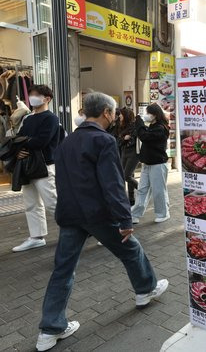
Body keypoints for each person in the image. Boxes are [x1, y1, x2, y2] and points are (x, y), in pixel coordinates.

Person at [36, 92, 168, 351]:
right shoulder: (104, 141)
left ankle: (49, 330)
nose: (116, 115)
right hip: (96, 214)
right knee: (131, 250)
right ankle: (146, 289)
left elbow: (62, 181)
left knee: (63, 269)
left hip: (70, 214)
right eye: (114, 111)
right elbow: (113, 185)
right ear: (107, 113)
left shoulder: (67, 141)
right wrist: (124, 218)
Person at [12, 85, 60, 252]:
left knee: (52, 202)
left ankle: (73, 232)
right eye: (31, 94)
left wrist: (22, 143)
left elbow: (41, 141)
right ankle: (36, 237)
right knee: (31, 203)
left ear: (47, 98)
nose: (32, 98)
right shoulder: (28, 119)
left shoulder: (51, 118)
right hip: (27, 165)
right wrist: (20, 149)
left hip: (45, 165)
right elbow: (17, 139)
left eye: (36, 95)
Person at [131, 104, 170, 224]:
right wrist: (140, 124)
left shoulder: (161, 128)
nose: (147, 115)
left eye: (149, 113)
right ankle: (135, 214)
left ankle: (163, 213)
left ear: (155, 115)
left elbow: (144, 137)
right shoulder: (152, 126)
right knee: (142, 190)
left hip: (158, 164)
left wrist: (139, 123)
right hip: (147, 164)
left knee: (158, 190)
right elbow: (143, 135)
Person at [118, 107, 139, 205]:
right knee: (125, 175)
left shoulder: (134, 126)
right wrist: (124, 139)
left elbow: (131, 141)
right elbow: (119, 141)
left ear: (126, 115)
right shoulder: (122, 126)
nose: (119, 116)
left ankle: (143, 190)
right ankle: (131, 199)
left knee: (127, 176)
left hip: (133, 153)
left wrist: (124, 139)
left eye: (121, 114)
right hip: (124, 152)